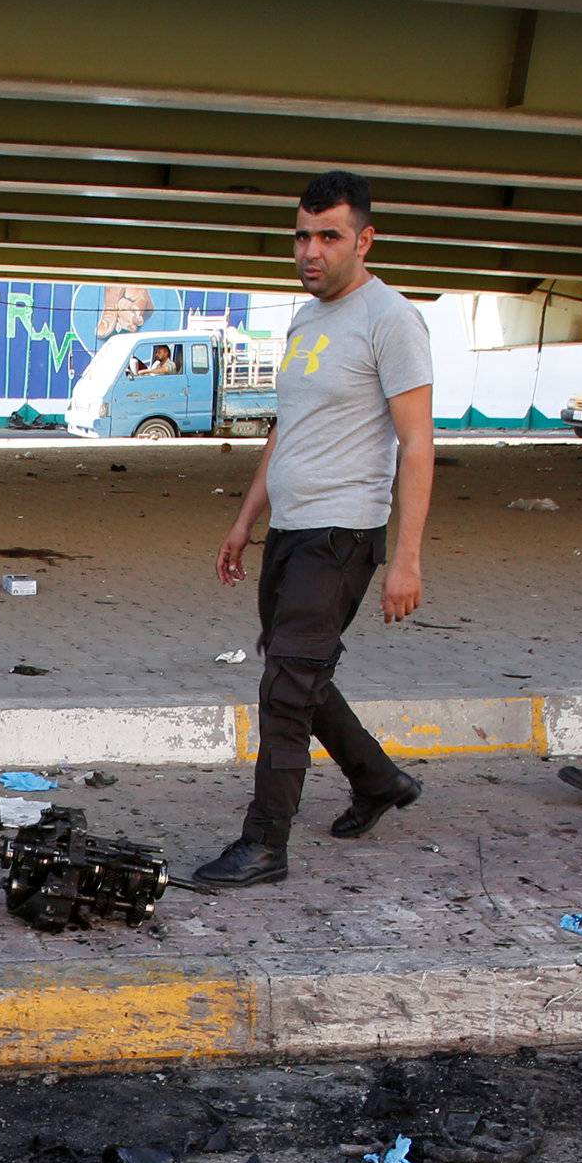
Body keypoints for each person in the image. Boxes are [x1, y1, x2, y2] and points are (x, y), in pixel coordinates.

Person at [195, 169, 433, 888]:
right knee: (297, 670)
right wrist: (245, 521)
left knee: (286, 688)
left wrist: (408, 561)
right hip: (292, 531)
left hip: (342, 534)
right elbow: (286, 430)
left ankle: (265, 843)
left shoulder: (390, 319)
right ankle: (379, 780)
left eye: (329, 236)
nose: (311, 251)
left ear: (364, 239)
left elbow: (417, 443)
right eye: (302, 235)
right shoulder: (305, 319)